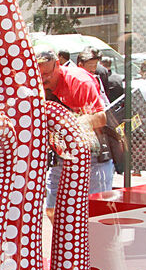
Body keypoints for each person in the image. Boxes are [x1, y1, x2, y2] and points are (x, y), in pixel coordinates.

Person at [37, 46, 114, 208]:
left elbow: (101, 117)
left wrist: (70, 125)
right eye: (38, 75)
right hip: (61, 156)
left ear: (58, 65)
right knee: (52, 207)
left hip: (93, 158)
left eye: (46, 74)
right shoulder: (36, 84)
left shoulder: (79, 82)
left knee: (94, 212)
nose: (42, 80)